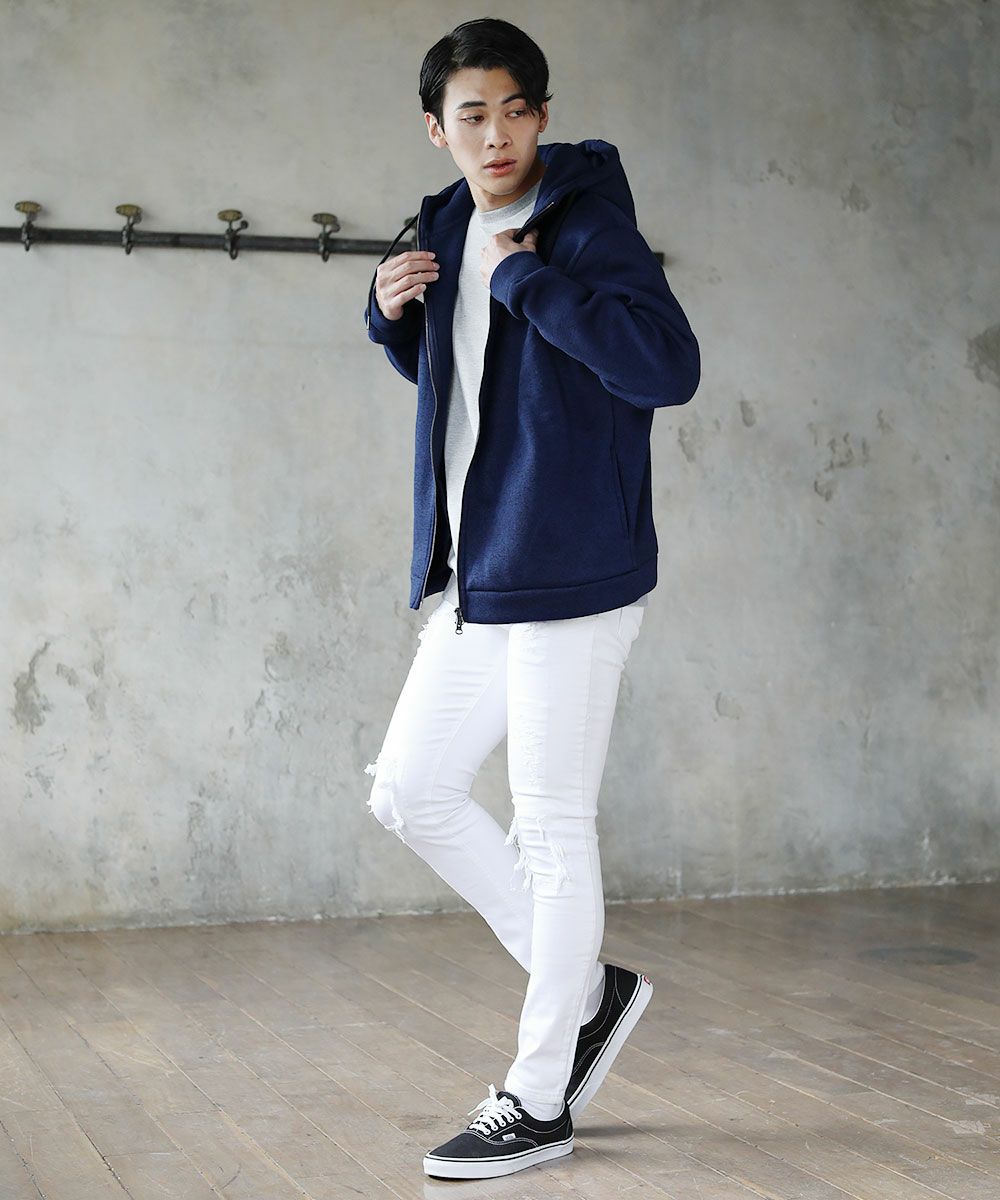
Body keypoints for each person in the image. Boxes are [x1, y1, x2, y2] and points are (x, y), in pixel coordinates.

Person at [361, 17, 700, 1180]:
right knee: (408, 790)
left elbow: (666, 367)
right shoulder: (445, 223)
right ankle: (586, 990)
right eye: (473, 114)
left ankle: (538, 1095)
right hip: (483, 570)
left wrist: (531, 281)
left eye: (515, 109)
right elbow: (474, 383)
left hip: (575, 572)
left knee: (553, 828)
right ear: (437, 128)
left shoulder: (584, 226)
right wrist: (390, 317)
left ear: (543, 116)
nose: (496, 133)